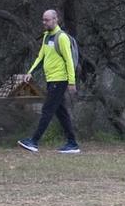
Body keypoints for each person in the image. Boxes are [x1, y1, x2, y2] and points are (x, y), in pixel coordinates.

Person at [16, 8, 81, 154]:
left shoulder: (62, 37)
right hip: (51, 79)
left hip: (60, 79)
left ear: (55, 20)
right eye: (43, 19)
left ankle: (34, 141)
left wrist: (72, 82)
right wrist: (30, 72)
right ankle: (73, 143)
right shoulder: (46, 37)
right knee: (61, 112)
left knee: (47, 110)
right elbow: (41, 57)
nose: (44, 22)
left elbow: (69, 61)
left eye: (46, 19)